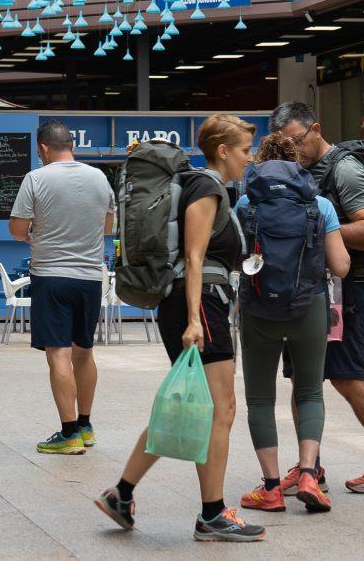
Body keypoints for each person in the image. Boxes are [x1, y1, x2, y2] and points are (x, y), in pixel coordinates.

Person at [96, 114, 266, 542]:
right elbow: (193, 258)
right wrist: (194, 318)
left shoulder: (208, 187)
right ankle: (212, 514)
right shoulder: (206, 188)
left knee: (187, 406)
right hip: (200, 305)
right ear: (223, 151)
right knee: (219, 411)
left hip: (197, 304)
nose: (250, 157)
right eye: (245, 150)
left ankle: (122, 492)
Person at [234, 131, 348, 513]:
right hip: (309, 307)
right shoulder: (319, 205)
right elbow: (341, 266)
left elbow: (239, 258)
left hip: (258, 309)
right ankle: (310, 476)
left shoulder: (246, 203)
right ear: (299, 164)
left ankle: (269, 489)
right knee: (310, 392)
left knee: (261, 398)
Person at [273, 100, 364, 494]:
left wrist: (317, 227)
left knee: (348, 378)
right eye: (284, 144)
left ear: (316, 128)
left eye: (297, 140)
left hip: (347, 290)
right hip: (307, 291)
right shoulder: (298, 173)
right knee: (302, 382)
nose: (293, 150)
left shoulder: (344, 169)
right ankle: (311, 466)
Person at [9, 121, 113, 455]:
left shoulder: (36, 178)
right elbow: (108, 225)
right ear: (72, 144)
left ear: (43, 149)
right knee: (84, 352)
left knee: (59, 354)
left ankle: (68, 434)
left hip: (51, 276)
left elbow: (16, 229)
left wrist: (35, 229)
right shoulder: (99, 177)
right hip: (89, 277)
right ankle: (85, 425)